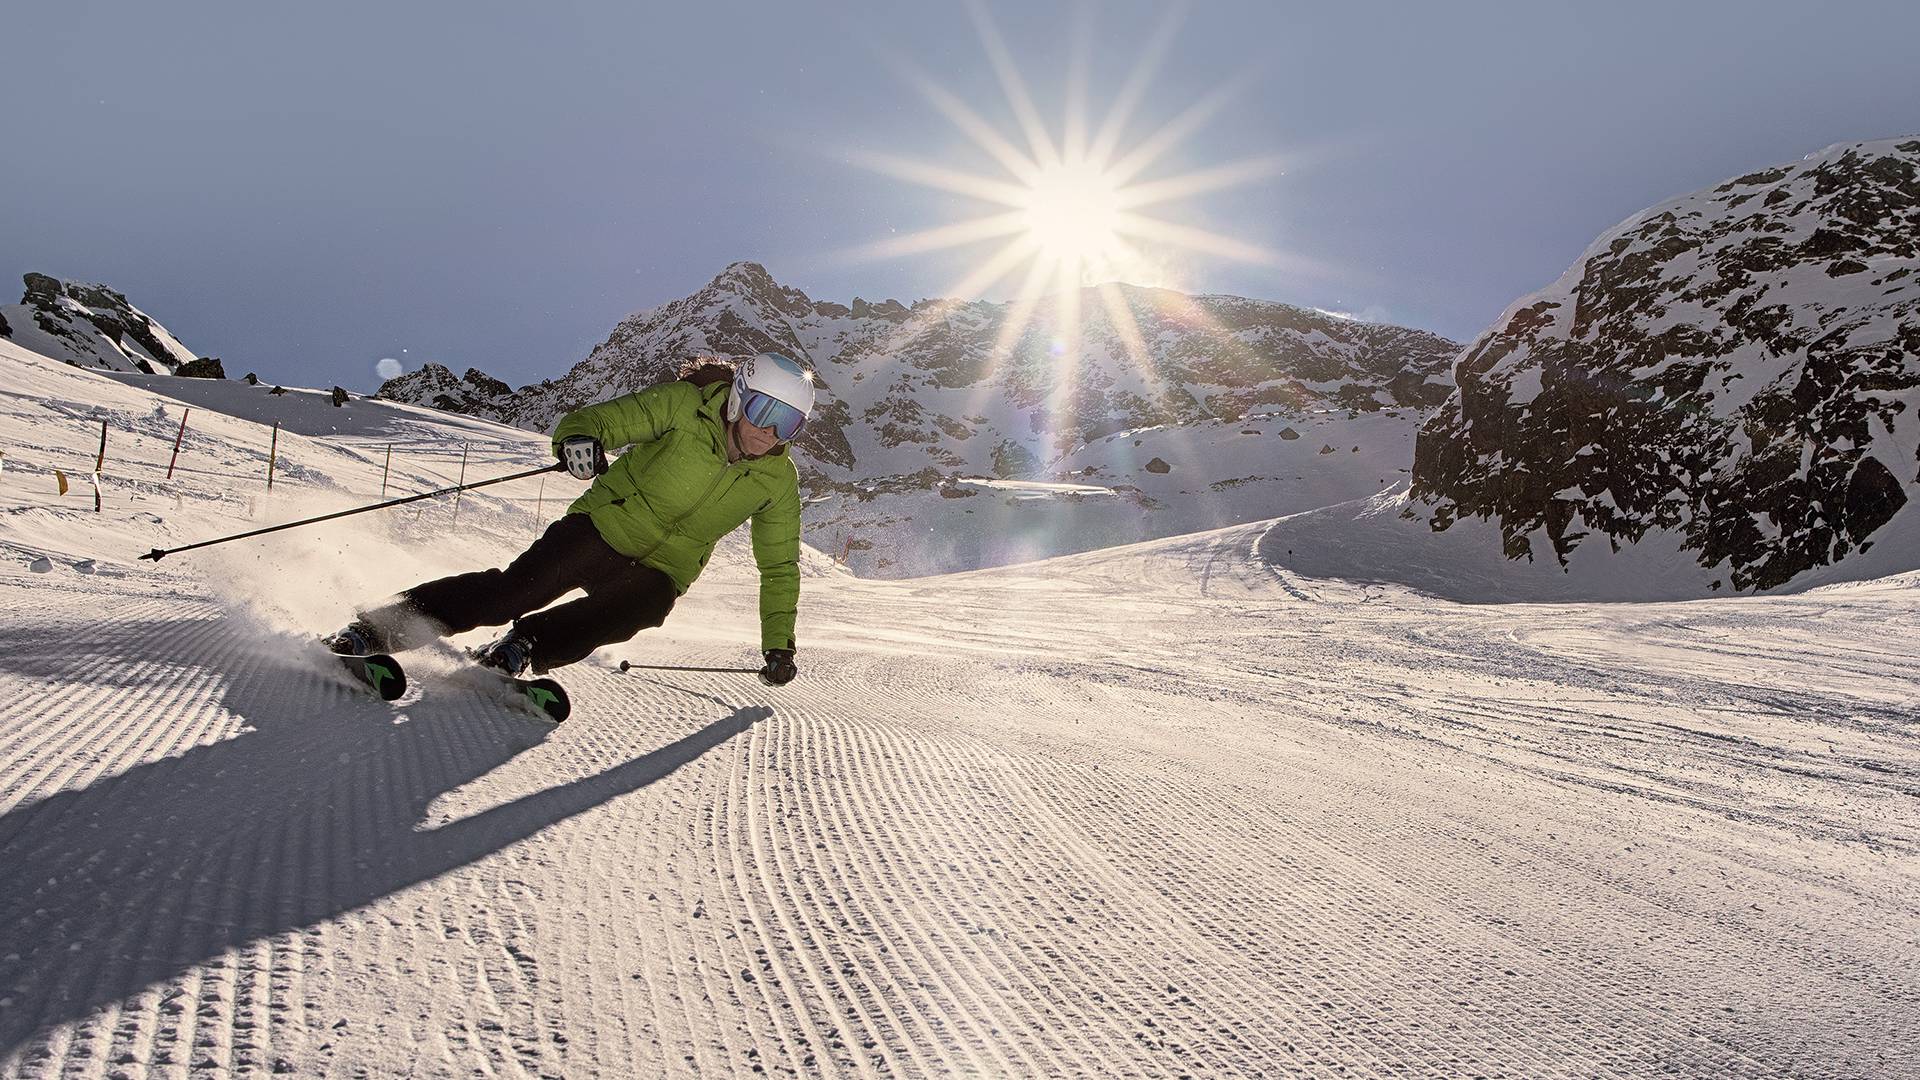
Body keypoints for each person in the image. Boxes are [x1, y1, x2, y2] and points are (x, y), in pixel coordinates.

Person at [324, 353, 813, 686]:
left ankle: (524, 645)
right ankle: (378, 627)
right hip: (602, 528)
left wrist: (779, 645)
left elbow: (779, 568)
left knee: (637, 609)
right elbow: (600, 420)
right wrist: (578, 440)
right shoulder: (683, 407)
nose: (770, 431)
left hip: (664, 568)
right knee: (513, 593)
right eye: (763, 410)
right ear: (737, 395)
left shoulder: (776, 480)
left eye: (787, 422)